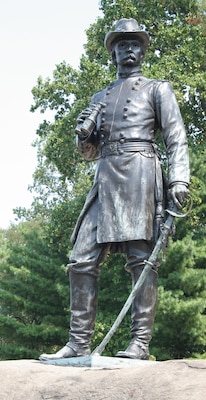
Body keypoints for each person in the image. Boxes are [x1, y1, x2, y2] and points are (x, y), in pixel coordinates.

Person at [40, 18, 190, 361]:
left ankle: (139, 343)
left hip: (140, 174)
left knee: (142, 261)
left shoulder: (157, 89)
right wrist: (83, 136)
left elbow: (176, 137)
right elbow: (90, 154)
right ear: (113, 54)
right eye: (122, 45)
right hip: (105, 178)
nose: (129, 49)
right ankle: (78, 343)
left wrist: (179, 178)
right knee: (81, 258)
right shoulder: (100, 96)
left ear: (143, 50)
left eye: (135, 44)